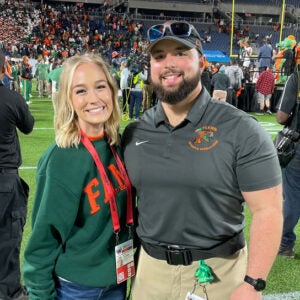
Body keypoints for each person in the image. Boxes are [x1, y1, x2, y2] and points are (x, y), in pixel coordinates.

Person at [122, 20, 283, 300]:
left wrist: (252, 282)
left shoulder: (241, 129)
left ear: (202, 62)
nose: (169, 63)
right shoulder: (135, 132)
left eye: (181, 54)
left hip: (218, 274)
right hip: (149, 273)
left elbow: (267, 210)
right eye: (159, 57)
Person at [23, 54, 134, 300]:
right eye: (81, 91)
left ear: (112, 90)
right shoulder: (61, 159)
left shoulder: (117, 142)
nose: (94, 98)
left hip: (116, 281)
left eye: (100, 87)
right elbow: (43, 239)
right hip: (75, 288)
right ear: (68, 99)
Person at [0, 50, 35, 300]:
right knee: (8, 240)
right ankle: (9, 293)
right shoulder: (10, 98)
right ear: (4, 68)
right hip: (5, 180)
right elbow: (28, 125)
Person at [276, 71, 300, 259]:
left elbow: (282, 117)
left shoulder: (297, 76)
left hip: (297, 144)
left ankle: (284, 244)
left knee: (292, 195)